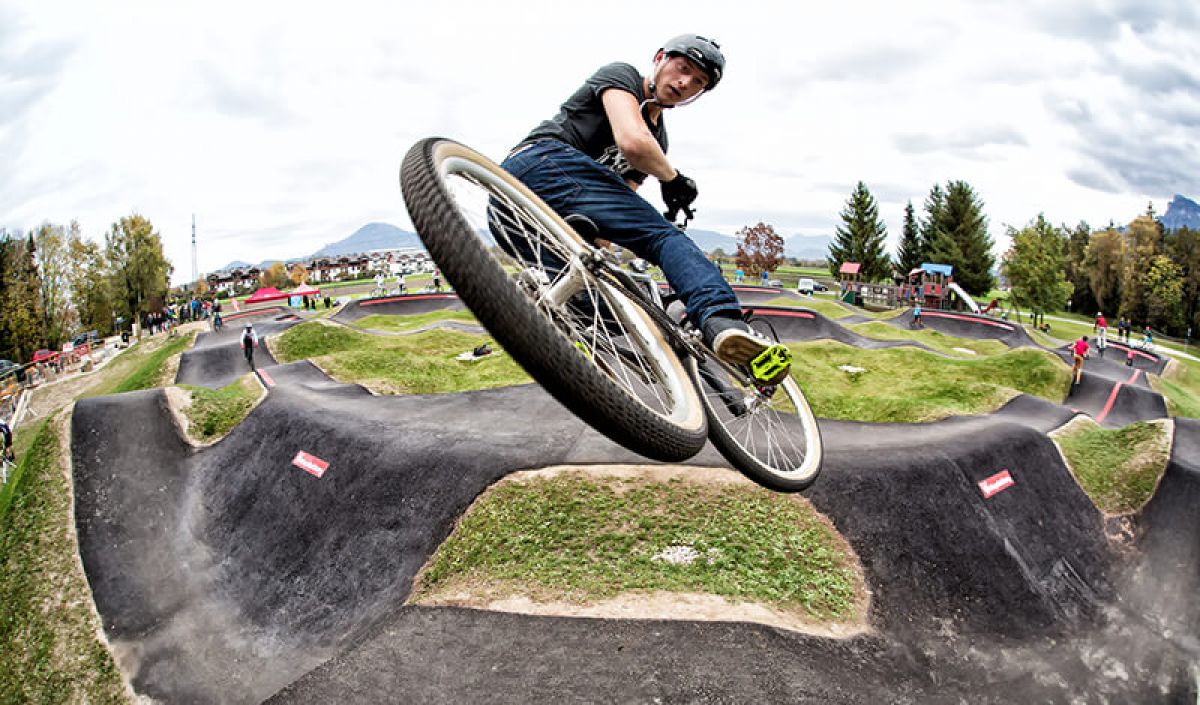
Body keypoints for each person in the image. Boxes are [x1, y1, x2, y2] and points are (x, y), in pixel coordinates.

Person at [498, 35, 789, 383]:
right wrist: (673, 179)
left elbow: (620, 205)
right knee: (664, 237)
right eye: (683, 70)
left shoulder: (659, 140)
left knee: (607, 307)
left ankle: (552, 324)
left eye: (698, 83)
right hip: (540, 165)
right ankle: (722, 319)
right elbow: (633, 142)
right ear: (660, 59)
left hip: (519, 221)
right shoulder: (623, 78)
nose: (685, 84)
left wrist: (611, 264)